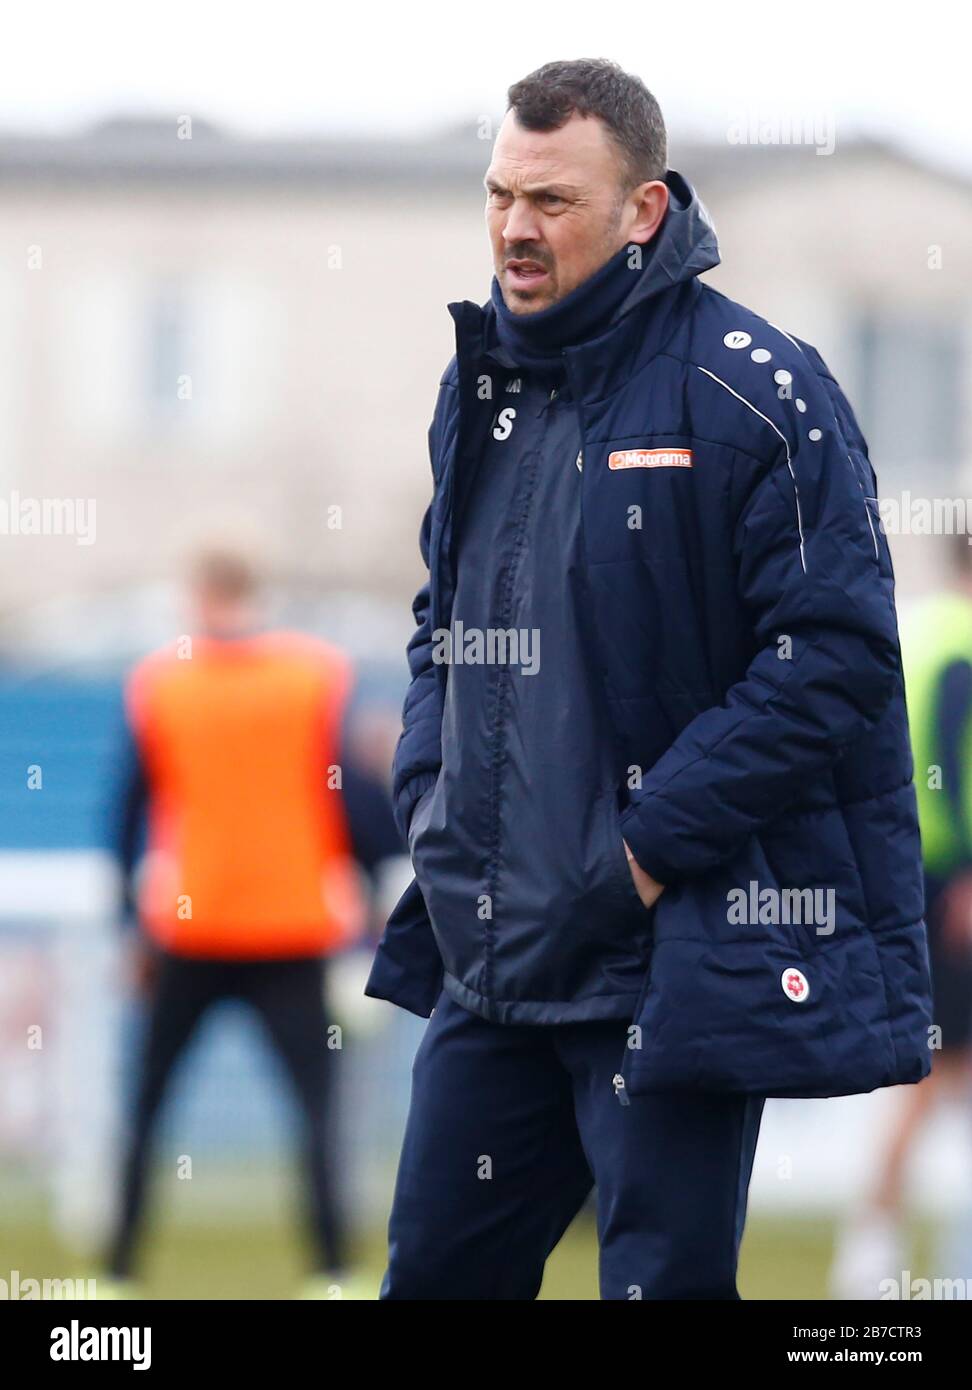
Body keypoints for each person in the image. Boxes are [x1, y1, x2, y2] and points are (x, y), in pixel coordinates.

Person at [365, 58, 933, 1301]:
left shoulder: (757, 388)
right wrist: (431, 795)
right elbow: (439, 614)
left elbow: (832, 656)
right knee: (433, 1283)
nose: (517, 227)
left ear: (645, 210)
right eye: (501, 194)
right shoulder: (480, 385)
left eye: (554, 201)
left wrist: (640, 852)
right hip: (492, 952)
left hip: (665, 953)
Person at [104, 542, 399, 1300]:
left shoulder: (160, 684)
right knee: (315, 1114)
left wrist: (125, 927)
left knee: (145, 1108)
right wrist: (367, 891)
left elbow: (126, 812)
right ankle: (333, 1274)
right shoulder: (312, 677)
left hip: (189, 928)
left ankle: (117, 1276)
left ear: (198, 596)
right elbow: (355, 801)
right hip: (291, 927)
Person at [831, 534, 972, 1298]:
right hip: (951, 884)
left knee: (942, 1070)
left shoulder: (920, 630)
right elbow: (950, 757)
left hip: (914, 872)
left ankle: (884, 1248)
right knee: (935, 1072)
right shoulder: (960, 641)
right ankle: (872, 1250)